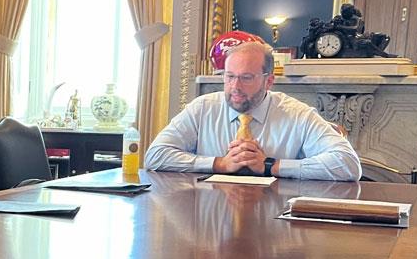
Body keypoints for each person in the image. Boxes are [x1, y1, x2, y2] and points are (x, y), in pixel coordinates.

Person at [144, 41, 361, 180]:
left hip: (274, 222)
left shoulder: (297, 114)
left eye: (246, 78)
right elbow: (155, 155)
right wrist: (219, 163)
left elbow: (348, 164)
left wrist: (270, 166)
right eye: (229, 77)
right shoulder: (203, 108)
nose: (235, 87)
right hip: (210, 215)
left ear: (269, 81)